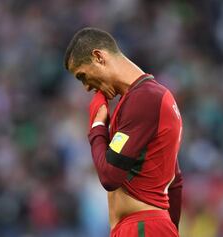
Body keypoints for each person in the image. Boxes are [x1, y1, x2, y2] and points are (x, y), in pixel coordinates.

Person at [64, 27, 183, 237]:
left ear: (99, 57)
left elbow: (110, 175)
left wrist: (97, 126)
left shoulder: (145, 98)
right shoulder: (145, 99)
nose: (86, 88)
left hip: (142, 227)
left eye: (82, 76)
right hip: (147, 227)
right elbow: (175, 182)